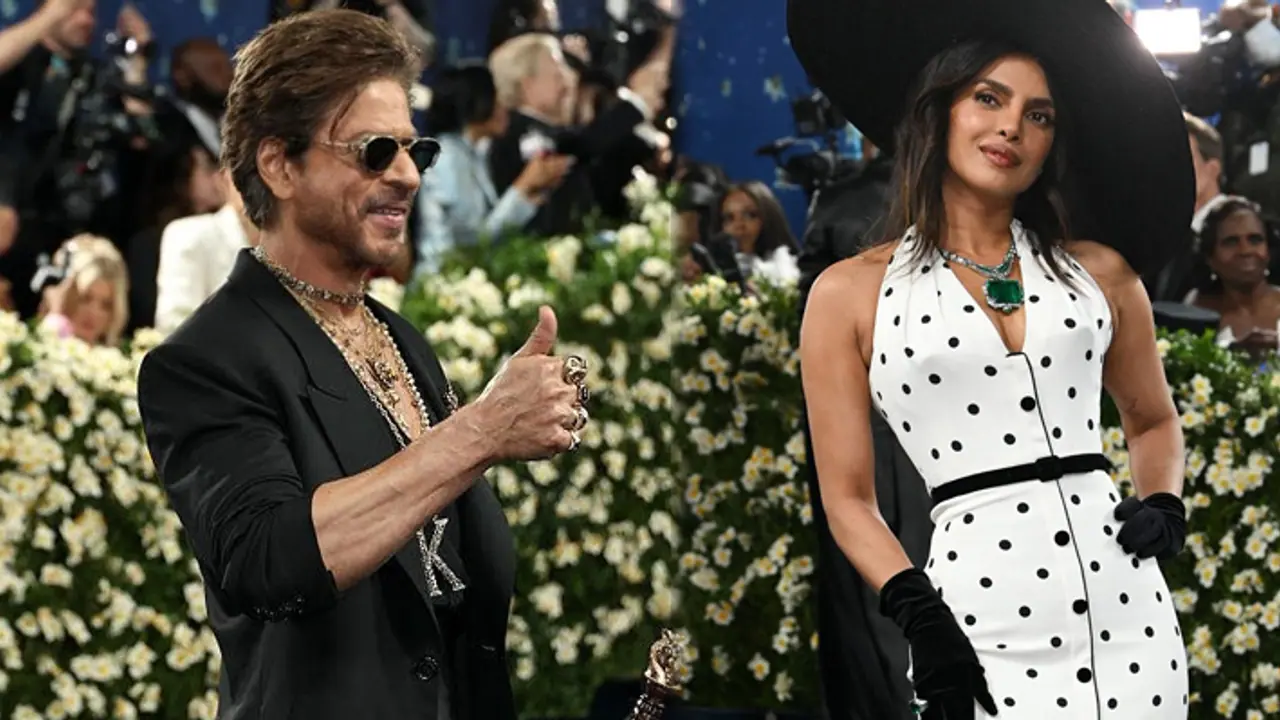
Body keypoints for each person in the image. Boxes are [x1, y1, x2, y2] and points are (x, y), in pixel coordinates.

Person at [136, 11, 590, 720]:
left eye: (417, 151)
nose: (407, 175)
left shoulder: (402, 337)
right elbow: (269, 560)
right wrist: (483, 431)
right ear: (279, 164)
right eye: (375, 151)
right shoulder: (204, 360)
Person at [789, 0, 1193, 717]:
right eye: (988, 97)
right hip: (976, 621)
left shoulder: (1100, 274)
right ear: (938, 112)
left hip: (1130, 614)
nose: (1011, 125)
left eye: (1039, 115)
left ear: (1051, 144)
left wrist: (1163, 500)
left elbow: (1153, 418)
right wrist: (917, 611)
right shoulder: (847, 295)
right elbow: (848, 498)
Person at [1186, 195, 1280, 357]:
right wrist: (1233, 352)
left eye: (1255, 240)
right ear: (1210, 258)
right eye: (1231, 242)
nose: (1245, 251)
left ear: (1269, 252)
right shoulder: (1195, 308)